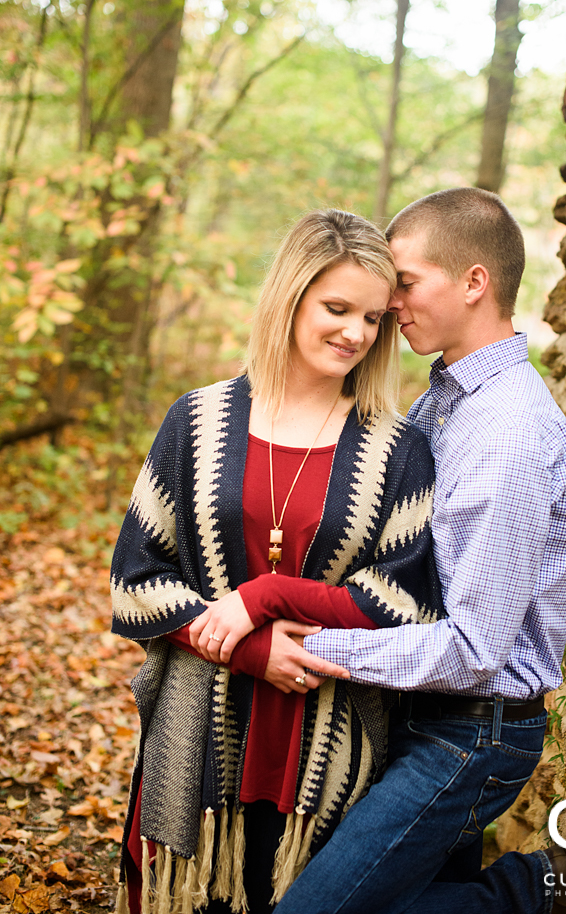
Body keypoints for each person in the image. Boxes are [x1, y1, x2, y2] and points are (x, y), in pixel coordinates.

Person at [223, 189, 566, 914]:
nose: (390, 305)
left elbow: (477, 647)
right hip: (415, 711)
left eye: (406, 284)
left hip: (472, 735)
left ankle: (536, 891)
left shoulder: (508, 434)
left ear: (473, 283)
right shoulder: (443, 401)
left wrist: (315, 649)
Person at [110, 209, 445, 914]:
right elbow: (135, 579)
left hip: (324, 738)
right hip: (194, 728)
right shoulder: (195, 423)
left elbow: (401, 602)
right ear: (289, 297)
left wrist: (266, 597)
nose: (355, 333)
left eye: (373, 318)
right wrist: (249, 649)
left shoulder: (397, 448)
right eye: (335, 308)